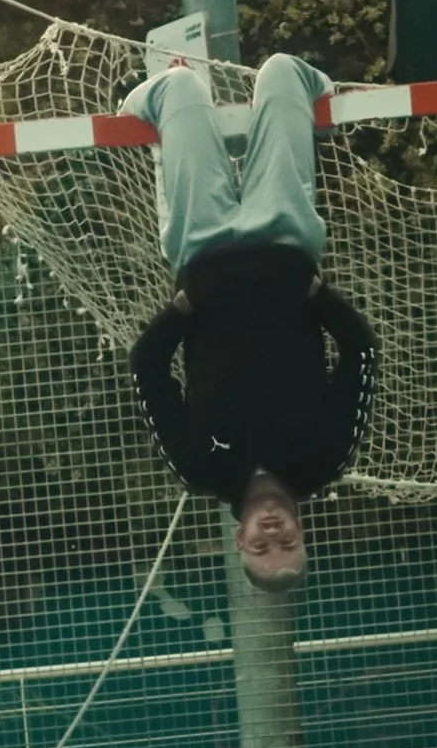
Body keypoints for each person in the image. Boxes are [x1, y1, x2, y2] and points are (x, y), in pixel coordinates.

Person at [127, 52, 377, 595]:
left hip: (204, 245)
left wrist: (185, 307)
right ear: (302, 532)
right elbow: (362, 353)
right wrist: (317, 296)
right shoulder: (327, 455)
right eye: (286, 542)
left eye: (262, 545)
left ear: (239, 539)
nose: (272, 533)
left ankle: (137, 105)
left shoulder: (198, 466)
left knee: (178, 87)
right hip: (283, 236)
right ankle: (321, 84)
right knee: (283, 72)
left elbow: (146, 368)